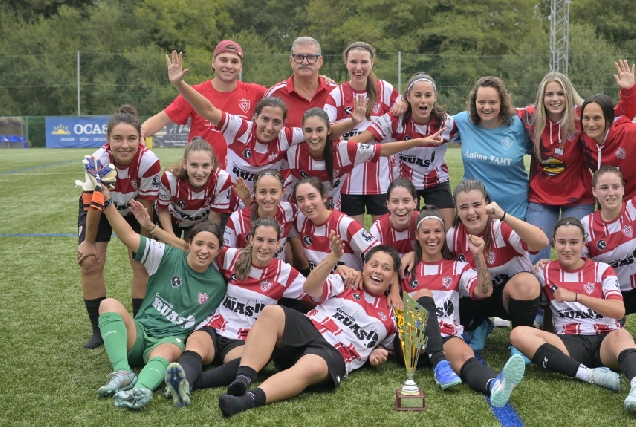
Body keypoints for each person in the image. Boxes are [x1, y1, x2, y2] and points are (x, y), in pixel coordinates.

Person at [217, 236, 399, 417]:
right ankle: (243, 378)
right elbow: (310, 289)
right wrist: (334, 257)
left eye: (386, 268)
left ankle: (245, 400)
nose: (378, 271)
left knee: (312, 366)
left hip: (335, 351)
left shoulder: (393, 316)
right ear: (364, 266)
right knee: (272, 312)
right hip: (310, 327)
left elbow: (388, 348)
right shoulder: (346, 281)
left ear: (393, 278)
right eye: (373, 265)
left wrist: (375, 353)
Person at [91, 183, 226, 410]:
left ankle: (141, 389)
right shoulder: (167, 255)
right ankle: (123, 371)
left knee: (170, 350)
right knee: (108, 304)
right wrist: (107, 203)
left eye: (211, 246)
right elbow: (128, 236)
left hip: (169, 341)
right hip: (140, 333)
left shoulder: (219, 284)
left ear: (219, 250)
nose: (204, 250)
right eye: (199, 243)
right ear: (189, 243)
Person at [161, 217, 308, 407]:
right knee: (195, 344)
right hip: (216, 326)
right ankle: (184, 381)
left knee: (246, 362)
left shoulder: (285, 272)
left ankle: (189, 384)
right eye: (260, 239)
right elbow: (192, 247)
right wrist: (152, 228)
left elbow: (314, 290)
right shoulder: (232, 257)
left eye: (271, 241)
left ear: (278, 244)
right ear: (251, 239)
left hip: (245, 337)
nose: (264, 246)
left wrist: (344, 273)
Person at [399, 207, 526, 407]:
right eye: (426, 231)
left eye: (437, 231)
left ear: (444, 234)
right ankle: (440, 365)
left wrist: (479, 256)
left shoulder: (457, 267)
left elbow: (484, 291)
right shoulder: (405, 267)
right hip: (411, 338)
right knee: (424, 295)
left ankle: (494, 385)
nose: (432, 237)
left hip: (444, 337)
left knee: (466, 356)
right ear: (417, 235)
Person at [510, 217, 636, 412]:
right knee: (518, 333)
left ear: (584, 243)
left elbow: (619, 310)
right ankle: (590, 375)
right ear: (553, 243)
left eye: (574, 242)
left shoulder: (602, 270)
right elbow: (547, 312)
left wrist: (577, 297)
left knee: (622, 335)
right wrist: (546, 335)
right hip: (569, 344)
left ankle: (635, 385)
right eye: (562, 242)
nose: (567, 248)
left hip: (605, 340)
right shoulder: (544, 272)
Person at [77, 105, 161, 349]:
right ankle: (99, 329)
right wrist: (89, 243)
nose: (125, 145)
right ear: (108, 140)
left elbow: (145, 208)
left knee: (141, 264)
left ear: (140, 140)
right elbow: (95, 205)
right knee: (90, 262)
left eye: (131, 138)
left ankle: (141, 325)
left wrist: (145, 248)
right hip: (99, 209)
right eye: (118, 138)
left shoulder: (149, 161)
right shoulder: (96, 161)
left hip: (135, 209)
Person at [166, 51, 304, 196]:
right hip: (231, 205)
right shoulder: (240, 128)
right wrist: (179, 83)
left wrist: (322, 80)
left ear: (283, 124)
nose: (269, 127)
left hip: (266, 205)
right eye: (265, 119)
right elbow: (208, 110)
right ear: (255, 117)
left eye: (276, 122)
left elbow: (319, 131)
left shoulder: (288, 135)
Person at [447, 179, 548, 351]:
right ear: (457, 210)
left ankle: (522, 339)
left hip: (508, 299)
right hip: (477, 297)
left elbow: (541, 242)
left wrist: (504, 216)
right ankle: (477, 325)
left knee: (527, 282)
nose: (471, 212)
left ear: (487, 203)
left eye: (477, 205)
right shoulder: (453, 236)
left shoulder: (501, 228)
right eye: (463, 207)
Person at [284, 107, 446, 211]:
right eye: (308, 131)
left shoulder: (345, 151)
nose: (314, 136)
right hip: (298, 209)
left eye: (319, 130)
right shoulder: (293, 150)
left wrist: (420, 141)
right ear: (302, 132)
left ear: (329, 131)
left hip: (330, 210)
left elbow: (383, 150)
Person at [352, 72, 458, 227]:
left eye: (428, 95)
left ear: (435, 98)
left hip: (436, 182)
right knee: (405, 234)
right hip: (404, 184)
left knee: (446, 234)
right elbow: (358, 141)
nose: (423, 100)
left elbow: (471, 133)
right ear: (407, 97)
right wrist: (340, 145)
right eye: (418, 95)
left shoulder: (446, 123)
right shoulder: (394, 119)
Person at [141, 40, 267, 169]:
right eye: (223, 60)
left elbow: (282, 105)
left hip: (239, 179)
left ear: (241, 66)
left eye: (234, 61)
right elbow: (162, 118)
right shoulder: (195, 94)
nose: (229, 65)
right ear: (213, 62)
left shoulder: (255, 92)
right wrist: (139, 134)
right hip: (202, 179)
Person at [517, 72, 594, 263]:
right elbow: (500, 112)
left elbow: (611, 114)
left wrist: (628, 91)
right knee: (535, 256)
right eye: (550, 94)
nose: (555, 99)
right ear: (542, 98)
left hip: (579, 197)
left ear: (568, 95)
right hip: (541, 197)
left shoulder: (581, 117)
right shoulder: (530, 118)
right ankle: (540, 292)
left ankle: (573, 292)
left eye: (561, 93)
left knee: (577, 256)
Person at [323, 41, 401, 226]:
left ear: (372, 63)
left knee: (382, 235)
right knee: (353, 238)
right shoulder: (337, 94)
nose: (359, 67)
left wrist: (404, 102)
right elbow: (325, 131)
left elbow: (402, 112)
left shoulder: (385, 89)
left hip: (381, 179)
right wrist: (352, 122)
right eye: (354, 62)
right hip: (349, 180)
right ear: (346, 63)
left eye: (364, 62)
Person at [453, 76, 532, 220]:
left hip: (515, 213)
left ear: (502, 103)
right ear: (474, 103)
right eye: (481, 102)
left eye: (493, 102)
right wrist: (404, 102)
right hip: (476, 215)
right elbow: (430, 120)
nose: (487, 107)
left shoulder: (519, 125)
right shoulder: (463, 121)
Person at [292, 176, 379, 272]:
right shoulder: (300, 221)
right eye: (300, 199)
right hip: (321, 285)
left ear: (324, 197)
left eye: (312, 197)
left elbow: (379, 252)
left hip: (349, 284)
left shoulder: (344, 223)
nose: (307, 204)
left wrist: (363, 277)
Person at [581, 167, 636, 315]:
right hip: (609, 294)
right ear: (594, 191)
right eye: (604, 188)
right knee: (613, 337)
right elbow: (577, 265)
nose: (611, 193)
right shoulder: (586, 225)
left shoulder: (633, 208)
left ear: (623, 189)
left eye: (616, 187)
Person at [581, 60, 636, 199]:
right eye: (586, 118)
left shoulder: (629, 133)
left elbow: (624, 111)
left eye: (597, 118)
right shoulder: (583, 137)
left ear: (609, 119)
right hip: (607, 205)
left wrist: (629, 90)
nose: (591, 124)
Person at [157, 137, 233, 235]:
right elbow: (162, 210)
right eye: (194, 165)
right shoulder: (170, 179)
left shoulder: (222, 180)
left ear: (212, 165)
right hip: (171, 222)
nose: (200, 172)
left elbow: (213, 219)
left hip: (201, 223)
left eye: (205, 165)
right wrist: (172, 239)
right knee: (168, 249)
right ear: (184, 164)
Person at [224, 169, 297, 262]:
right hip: (245, 273)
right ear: (255, 192)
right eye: (263, 192)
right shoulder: (237, 220)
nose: (268, 198)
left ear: (282, 193)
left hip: (277, 273)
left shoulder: (290, 210)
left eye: (273, 192)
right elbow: (225, 255)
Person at [264, 37, 337, 127]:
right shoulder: (275, 93)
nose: (305, 62)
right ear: (291, 61)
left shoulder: (335, 92)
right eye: (299, 57)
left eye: (311, 57)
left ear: (320, 61)